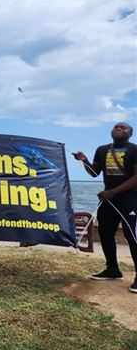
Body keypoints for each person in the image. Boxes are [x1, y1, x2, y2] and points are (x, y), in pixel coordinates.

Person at [73, 122, 137, 294]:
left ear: (130, 133)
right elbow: (94, 173)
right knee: (106, 233)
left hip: (129, 199)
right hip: (108, 199)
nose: (119, 129)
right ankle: (112, 270)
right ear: (111, 132)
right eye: (117, 127)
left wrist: (113, 192)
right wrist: (84, 160)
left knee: (131, 235)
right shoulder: (102, 150)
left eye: (124, 128)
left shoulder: (134, 150)